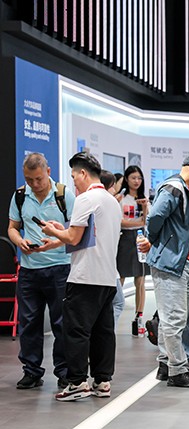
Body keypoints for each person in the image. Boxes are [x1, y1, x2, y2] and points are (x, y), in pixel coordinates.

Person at [41, 152, 121, 401]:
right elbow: (88, 237)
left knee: (76, 331)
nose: (73, 181)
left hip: (84, 276)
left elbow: (74, 238)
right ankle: (102, 381)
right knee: (103, 332)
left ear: (83, 173)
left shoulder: (85, 199)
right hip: (107, 277)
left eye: (74, 176)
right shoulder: (112, 202)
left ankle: (76, 382)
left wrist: (53, 231)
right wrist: (59, 236)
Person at [140, 152, 189, 388]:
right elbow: (155, 217)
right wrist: (153, 240)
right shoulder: (174, 189)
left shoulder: (188, 192)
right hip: (171, 262)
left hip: (182, 261)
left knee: (172, 318)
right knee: (174, 319)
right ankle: (177, 371)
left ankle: (166, 364)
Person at [8, 152, 77, 390]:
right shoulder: (20, 196)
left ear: (48, 172)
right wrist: (20, 241)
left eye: (38, 179)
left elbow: (76, 232)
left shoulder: (63, 195)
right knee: (29, 323)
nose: (35, 184)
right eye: (29, 179)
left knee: (62, 323)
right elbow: (12, 227)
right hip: (29, 271)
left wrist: (55, 243)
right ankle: (31, 371)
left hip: (60, 268)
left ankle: (64, 372)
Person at [117, 165, 149, 336]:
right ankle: (113, 313)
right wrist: (139, 222)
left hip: (140, 238)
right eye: (133, 178)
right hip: (124, 239)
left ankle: (139, 318)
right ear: (126, 179)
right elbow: (120, 221)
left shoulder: (144, 199)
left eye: (139, 178)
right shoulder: (121, 198)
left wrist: (144, 209)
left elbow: (147, 220)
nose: (137, 181)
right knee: (120, 277)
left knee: (140, 280)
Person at [101, 170, 125, 326]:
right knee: (118, 302)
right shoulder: (110, 205)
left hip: (107, 266)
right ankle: (106, 335)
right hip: (106, 266)